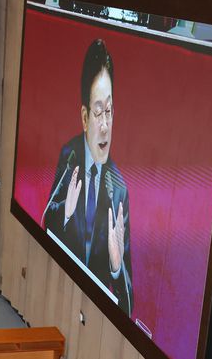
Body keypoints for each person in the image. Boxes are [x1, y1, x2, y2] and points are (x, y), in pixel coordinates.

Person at [44, 39, 133, 316]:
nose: (105, 126)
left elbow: (128, 304)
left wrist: (116, 266)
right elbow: (47, 223)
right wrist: (66, 214)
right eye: (97, 112)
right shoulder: (69, 156)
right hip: (61, 288)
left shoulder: (119, 190)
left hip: (94, 310)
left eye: (109, 111)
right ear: (84, 118)